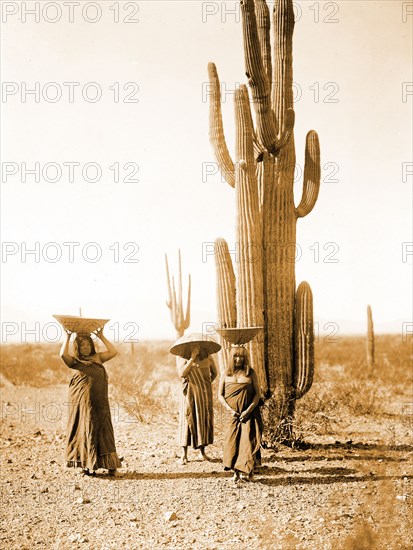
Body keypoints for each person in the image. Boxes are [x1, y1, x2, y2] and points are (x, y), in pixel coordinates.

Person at [60, 327, 122, 476]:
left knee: (104, 429)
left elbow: (113, 352)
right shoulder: (75, 361)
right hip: (83, 403)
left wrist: (101, 336)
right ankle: (85, 465)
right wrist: (67, 337)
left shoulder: (98, 358)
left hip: (100, 401)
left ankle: (111, 466)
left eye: (88, 344)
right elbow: (62, 354)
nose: (86, 347)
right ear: (78, 348)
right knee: (84, 428)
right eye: (82, 345)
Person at [171, 335, 219, 464]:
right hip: (188, 394)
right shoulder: (181, 357)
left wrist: (205, 384)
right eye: (192, 345)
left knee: (202, 420)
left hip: (203, 394)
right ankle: (184, 454)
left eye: (198, 344)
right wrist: (192, 358)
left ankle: (202, 452)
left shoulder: (207, 357)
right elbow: (182, 373)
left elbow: (214, 372)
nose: (196, 347)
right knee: (187, 420)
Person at [218, 346, 263, 482]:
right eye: (236, 356)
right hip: (232, 414)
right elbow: (220, 395)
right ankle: (235, 473)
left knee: (248, 441)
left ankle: (250, 473)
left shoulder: (251, 373)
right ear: (231, 358)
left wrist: (248, 410)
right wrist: (229, 409)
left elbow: (257, 394)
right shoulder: (226, 373)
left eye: (241, 356)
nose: (238, 359)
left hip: (249, 413)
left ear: (245, 358)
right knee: (232, 442)